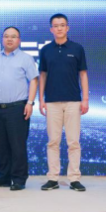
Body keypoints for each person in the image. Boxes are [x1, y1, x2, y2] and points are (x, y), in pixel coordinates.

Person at [0, 26, 38, 191]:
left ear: (19, 40)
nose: (9, 39)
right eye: (6, 36)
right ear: (2, 39)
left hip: (17, 108)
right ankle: (3, 178)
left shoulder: (26, 58)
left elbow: (34, 80)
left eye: (13, 36)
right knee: (2, 145)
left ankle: (19, 179)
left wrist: (30, 103)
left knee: (17, 145)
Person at [38, 13, 88, 192]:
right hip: (52, 101)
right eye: (55, 25)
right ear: (51, 29)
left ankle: (74, 179)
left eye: (62, 25)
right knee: (53, 141)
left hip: (73, 101)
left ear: (67, 28)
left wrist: (85, 99)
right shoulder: (46, 50)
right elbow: (42, 75)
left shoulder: (77, 48)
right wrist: (41, 99)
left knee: (73, 142)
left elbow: (83, 74)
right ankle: (53, 178)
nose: (59, 28)